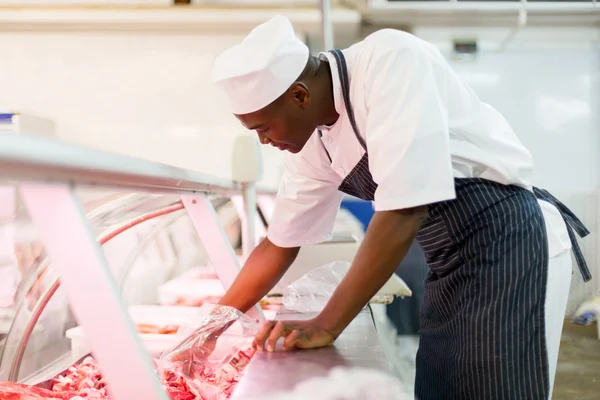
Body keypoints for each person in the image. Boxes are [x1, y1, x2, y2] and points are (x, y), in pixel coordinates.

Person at [208, 15, 591, 399]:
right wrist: (206, 332)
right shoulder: (313, 142)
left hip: (508, 240)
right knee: (440, 387)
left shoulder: (390, 60)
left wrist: (326, 323)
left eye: (263, 127)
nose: (262, 141)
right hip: (447, 259)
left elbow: (404, 211)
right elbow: (278, 245)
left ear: (300, 96)